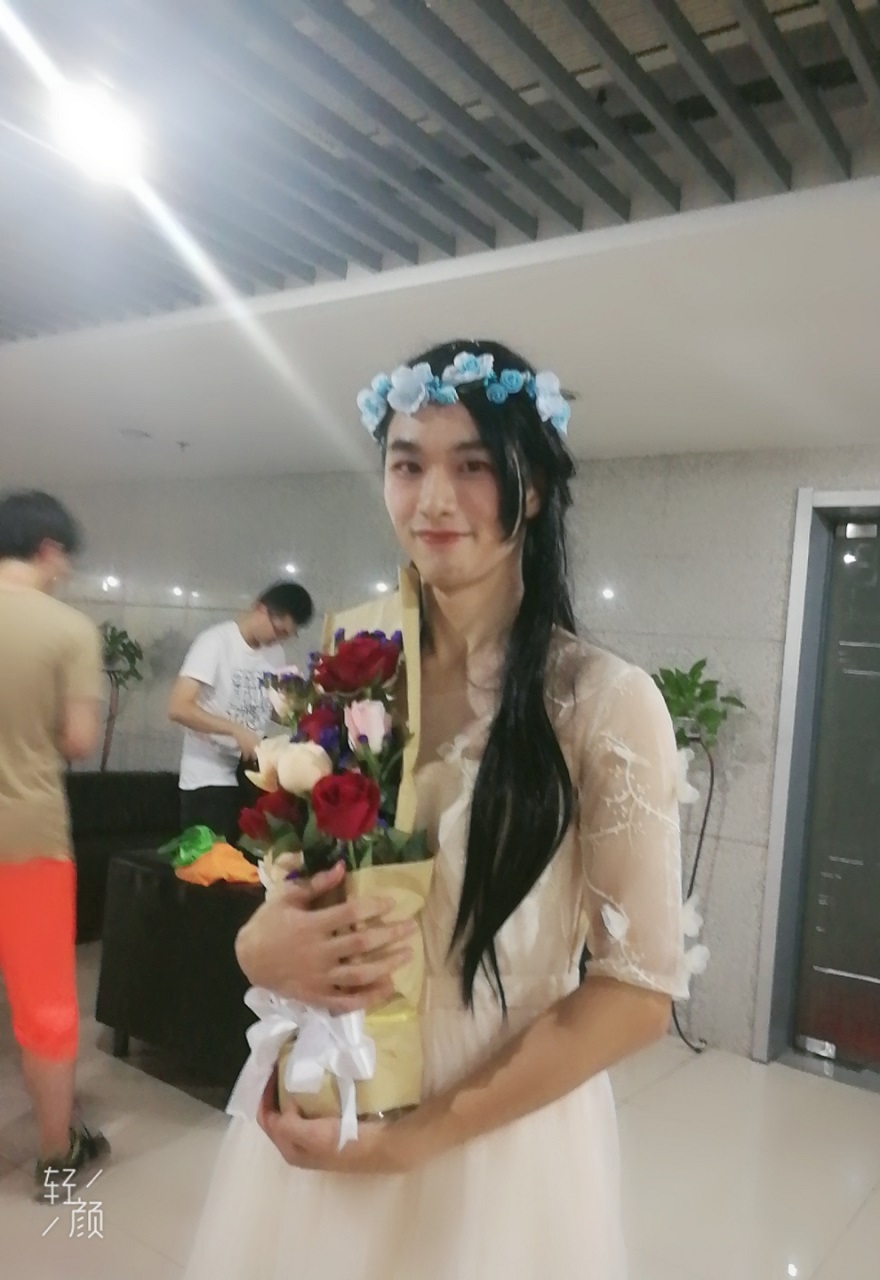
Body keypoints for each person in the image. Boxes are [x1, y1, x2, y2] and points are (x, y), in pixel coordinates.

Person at [184, 341, 694, 1278]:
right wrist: (259, 945)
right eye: (407, 464)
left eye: (474, 466)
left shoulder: (601, 701)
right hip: (338, 1085)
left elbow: (636, 994)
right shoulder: (352, 673)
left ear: (533, 489)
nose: (434, 500)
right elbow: (308, 887)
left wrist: (413, 1143)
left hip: (493, 1129)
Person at [0, 489, 110, 1199]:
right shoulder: (69, 630)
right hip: (28, 837)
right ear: (47, 548)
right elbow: (77, 739)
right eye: (64, 557)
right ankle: (55, 1154)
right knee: (43, 1002)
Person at [168, 581, 314, 843]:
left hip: (250, 773)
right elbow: (179, 707)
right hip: (207, 778)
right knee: (210, 862)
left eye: (287, 635)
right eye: (279, 630)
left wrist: (300, 713)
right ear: (260, 609)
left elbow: (267, 708)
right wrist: (235, 730)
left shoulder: (275, 654)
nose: (279, 639)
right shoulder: (215, 642)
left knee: (251, 857)